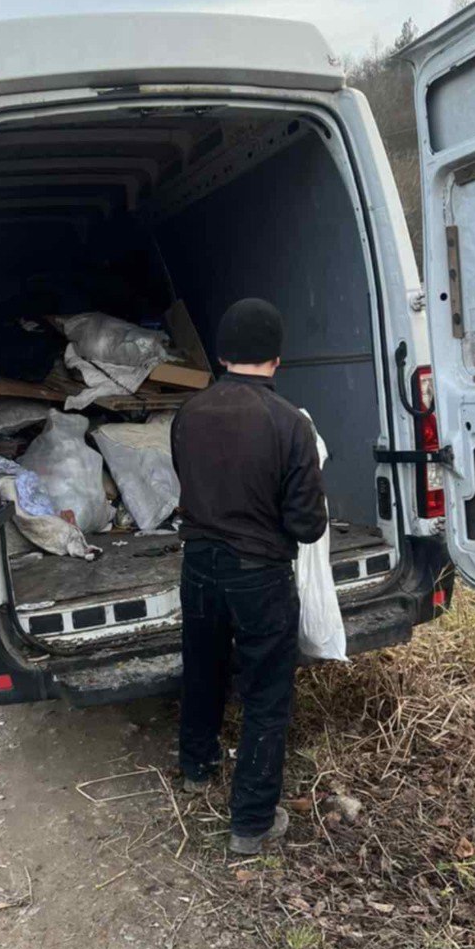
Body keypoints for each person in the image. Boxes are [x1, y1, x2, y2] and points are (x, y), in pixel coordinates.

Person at [170, 297, 328, 854]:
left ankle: (196, 768)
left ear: (219, 355)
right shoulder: (290, 424)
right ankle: (251, 823)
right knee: (265, 694)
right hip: (259, 575)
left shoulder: (188, 414)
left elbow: (185, 486)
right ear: (277, 359)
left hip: (198, 566)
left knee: (203, 668)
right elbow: (308, 526)